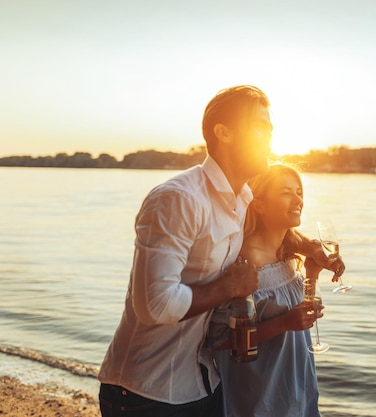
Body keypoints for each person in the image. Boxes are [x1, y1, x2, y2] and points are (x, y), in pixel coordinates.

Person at [97, 86, 342, 417]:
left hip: (204, 383)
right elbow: (155, 305)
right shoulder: (179, 199)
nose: (270, 137)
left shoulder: (239, 200)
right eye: (260, 128)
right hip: (147, 392)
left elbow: (263, 227)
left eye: (270, 129)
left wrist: (308, 246)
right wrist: (229, 287)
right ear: (223, 133)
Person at [208, 163, 331, 417]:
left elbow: (297, 318)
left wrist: (312, 274)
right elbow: (219, 340)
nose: (298, 199)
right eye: (286, 192)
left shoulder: (286, 253)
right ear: (259, 204)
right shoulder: (243, 263)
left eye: (299, 191)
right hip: (258, 396)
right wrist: (284, 322)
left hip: (296, 386)